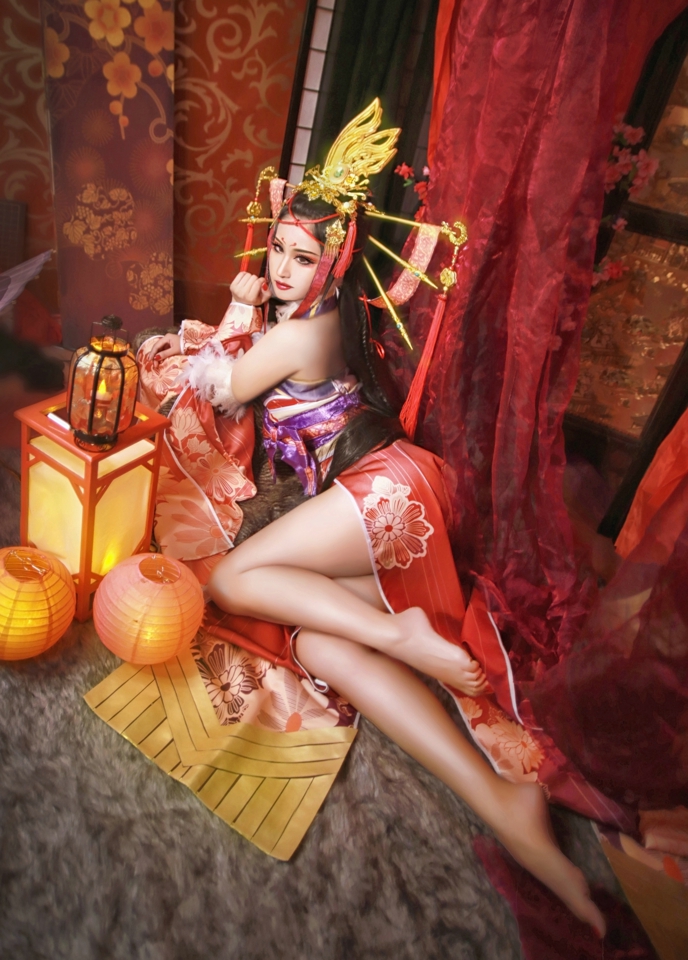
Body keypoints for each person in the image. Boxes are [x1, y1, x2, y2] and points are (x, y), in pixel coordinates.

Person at [145, 103, 606, 936]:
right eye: (277, 250)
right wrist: (260, 310)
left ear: (337, 260)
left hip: (389, 492)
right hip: (388, 500)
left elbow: (212, 385)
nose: (283, 269)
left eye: (304, 257)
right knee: (319, 646)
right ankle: (501, 805)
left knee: (235, 579)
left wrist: (240, 306)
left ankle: (401, 637)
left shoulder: (303, 332)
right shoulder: (315, 322)